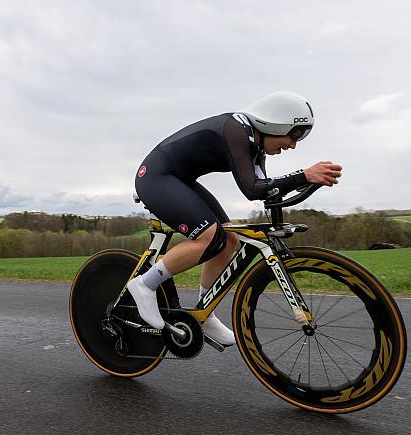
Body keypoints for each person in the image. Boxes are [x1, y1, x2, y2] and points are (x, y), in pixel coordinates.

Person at [127, 91, 342, 346]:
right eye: (294, 135)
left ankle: (204, 315)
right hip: (155, 177)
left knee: (228, 239)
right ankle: (145, 285)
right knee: (209, 237)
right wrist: (304, 176)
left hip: (179, 180)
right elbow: (251, 188)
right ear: (275, 123)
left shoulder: (256, 146)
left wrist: (305, 183)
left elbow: (265, 190)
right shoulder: (236, 130)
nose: (293, 145)